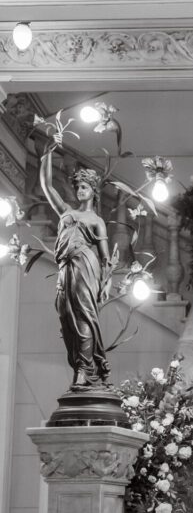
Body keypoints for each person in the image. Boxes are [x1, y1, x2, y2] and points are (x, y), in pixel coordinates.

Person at [40, 153, 115, 390]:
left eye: (84, 187)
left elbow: (106, 259)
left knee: (83, 317)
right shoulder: (65, 211)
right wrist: (47, 155)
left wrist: (108, 283)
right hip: (65, 269)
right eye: (78, 187)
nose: (80, 190)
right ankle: (80, 366)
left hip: (85, 266)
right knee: (66, 317)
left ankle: (84, 370)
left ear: (93, 190)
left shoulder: (96, 220)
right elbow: (48, 186)